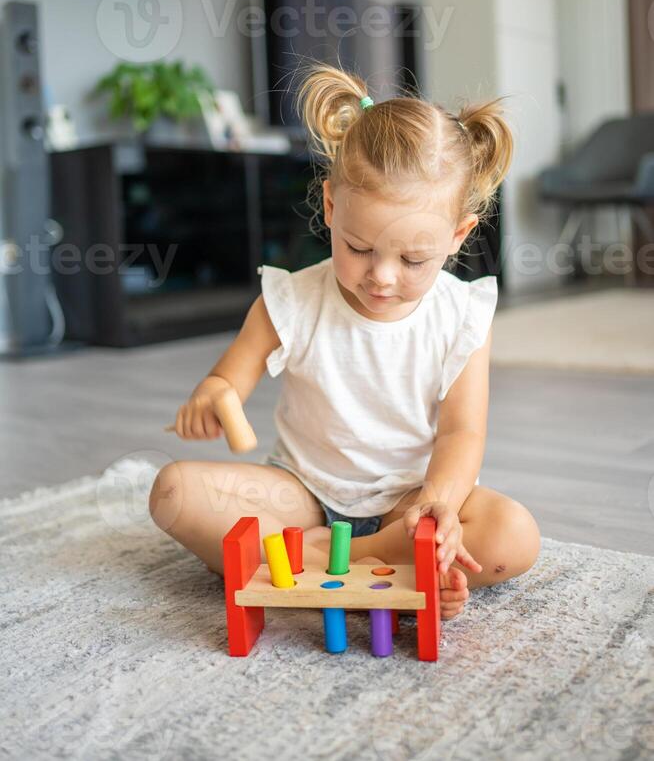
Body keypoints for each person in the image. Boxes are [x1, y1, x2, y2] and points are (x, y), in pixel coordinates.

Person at [149, 65, 541, 621]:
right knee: (174, 492)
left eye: (412, 260)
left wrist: (440, 504)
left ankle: (337, 563)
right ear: (331, 208)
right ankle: (395, 574)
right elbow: (227, 379)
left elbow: (463, 430)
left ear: (457, 237)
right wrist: (213, 396)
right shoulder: (290, 300)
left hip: (406, 502)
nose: (381, 277)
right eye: (359, 248)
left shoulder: (462, 315)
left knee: (513, 534)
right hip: (302, 497)